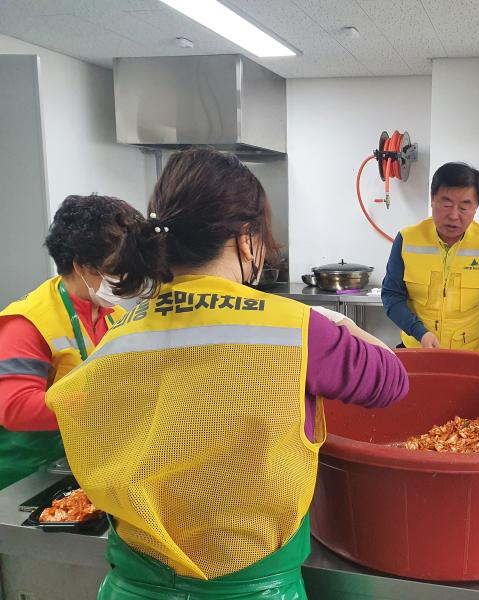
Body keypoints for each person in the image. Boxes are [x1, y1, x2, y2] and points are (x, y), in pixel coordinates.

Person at [46, 148, 408, 600]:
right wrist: (337, 323)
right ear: (247, 240)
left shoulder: (119, 335)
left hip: (132, 586)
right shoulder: (295, 331)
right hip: (253, 590)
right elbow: (393, 381)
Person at [0, 195, 139, 490]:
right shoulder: (28, 322)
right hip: (25, 475)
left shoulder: (113, 316)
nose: (126, 278)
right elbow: (14, 408)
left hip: (75, 462)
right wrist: (101, 403)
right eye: (117, 269)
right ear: (83, 266)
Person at [382, 162, 479, 353]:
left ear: (476, 207)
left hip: (471, 354)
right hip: (418, 349)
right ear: (432, 200)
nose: (454, 215)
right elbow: (391, 295)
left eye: (464, 207)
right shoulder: (407, 240)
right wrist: (420, 332)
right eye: (446, 204)